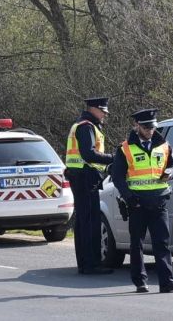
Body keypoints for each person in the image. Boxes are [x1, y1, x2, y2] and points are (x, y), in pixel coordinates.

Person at [111, 108, 173, 293]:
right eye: (146, 127)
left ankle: (167, 282)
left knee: (162, 243)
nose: (150, 130)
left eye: (152, 127)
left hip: (159, 201)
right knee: (137, 244)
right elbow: (117, 177)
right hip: (137, 203)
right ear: (137, 126)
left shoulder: (164, 145)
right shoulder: (125, 148)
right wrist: (129, 197)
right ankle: (140, 282)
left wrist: (171, 172)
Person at [65, 97, 114, 274]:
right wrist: (112, 158)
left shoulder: (82, 124)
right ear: (93, 109)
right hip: (85, 177)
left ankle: (86, 263)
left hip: (81, 176)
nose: (104, 115)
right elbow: (89, 154)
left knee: (84, 221)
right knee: (90, 221)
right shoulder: (86, 126)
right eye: (102, 111)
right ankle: (91, 264)